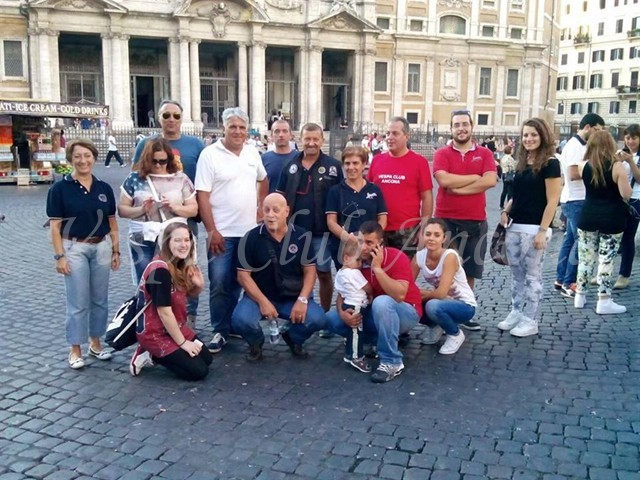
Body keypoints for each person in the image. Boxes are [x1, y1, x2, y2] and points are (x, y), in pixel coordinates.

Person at [195, 107, 268, 354]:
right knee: (219, 282)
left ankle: (233, 324)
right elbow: (202, 195)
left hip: (248, 232)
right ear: (223, 128)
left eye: (242, 127)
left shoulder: (252, 152)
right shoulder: (209, 155)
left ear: (247, 130)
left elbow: (263, 179)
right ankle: (219, 328)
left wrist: (261, 207)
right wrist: (211, 230)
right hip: (222, 231)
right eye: (232, 127)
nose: (237, 131)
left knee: (240, 280)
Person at [46, 139, 121, 369]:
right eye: (77, 156)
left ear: (94, 158)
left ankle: (95, 344)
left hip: (101, 246)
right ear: (70, 159)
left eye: (87, 156)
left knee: (100, 299)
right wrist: (59, 256)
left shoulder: (104, 188)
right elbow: (55, 226)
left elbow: (112, 222)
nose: (83, 161)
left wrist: (116, 250)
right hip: (74, 248)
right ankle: (75, 349)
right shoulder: (59, 189)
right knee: (78, 301)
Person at [231, 193, 327, 362]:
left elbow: (310, 271)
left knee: (317, 319)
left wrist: (302, 299)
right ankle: (256, 342)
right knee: (241, 320)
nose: (270, 215)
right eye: (266, 210)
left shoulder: (302, 236)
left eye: (276, 210)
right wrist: (263, 301)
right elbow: (243, 276)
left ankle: (293, 337)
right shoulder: (250, 238)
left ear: (286, 211)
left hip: (292, 296)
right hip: (258, 297)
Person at [133, 100, 205, 323]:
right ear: (158, 118)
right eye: (166, 115)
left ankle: (188, 318)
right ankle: (154, 320)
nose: (171, 119)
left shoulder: (196, 145)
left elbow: (204, 180)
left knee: (186, 268)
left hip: (184, 217)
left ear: (182, 118)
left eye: (176, 115)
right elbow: (136, 178)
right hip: (153, 222)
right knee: (153, 271)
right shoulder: (145, 143)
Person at [326, 221, 423, 383]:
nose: (363, 247)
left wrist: (377, 268)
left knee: (382, 302)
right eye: (360, 241)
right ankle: (374, 341)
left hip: (406, 312)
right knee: (331, 319)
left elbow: (399, 295)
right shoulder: (357, 261)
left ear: (380, 243)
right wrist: (343, 314)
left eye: (369, 243)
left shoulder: (395, 256)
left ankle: (392, 361)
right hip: (375, 313)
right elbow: (343, 293)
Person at [432, 109, 497, 331]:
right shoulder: (442, 153)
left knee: (469, 271)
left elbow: (490, 181)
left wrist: (459, 189)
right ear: (451, 128)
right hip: (445, 220)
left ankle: (463, 310)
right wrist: (474, 178)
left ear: (471, 126)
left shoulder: (485, 153)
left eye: (465, 124)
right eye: (457, 125)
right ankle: (443, 310)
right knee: (444, 270)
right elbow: (444, 180)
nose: (461, 128)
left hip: (475, 220)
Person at [498, 118, 562, 337]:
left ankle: (530, 319)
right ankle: (516, 311)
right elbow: (516, 196)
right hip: (515, 225)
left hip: (535, 227)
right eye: (525, 135)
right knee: (516, 274)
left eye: (533, 134)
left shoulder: (551, 163)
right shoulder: (522, 162)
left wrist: (543, 231)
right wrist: (505, 211)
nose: (529, 139)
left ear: (543, 136)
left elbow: (553, 200)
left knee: (532, 276)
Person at [129, 221, 212, 380]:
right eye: (177, 240)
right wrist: (183, 343)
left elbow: (185, 296)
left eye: (187, 240)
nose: (184, 245)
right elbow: (165, 312)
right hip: (155, 333)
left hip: (175, 326)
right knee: (198, 372)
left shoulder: (179, 262)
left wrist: (199, 286)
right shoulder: (160, 271)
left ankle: (165, 352)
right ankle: (149, 352)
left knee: (207, 360)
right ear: (167, 243)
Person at [276, 123, 344, 315]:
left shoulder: (333, 166)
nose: (311, 143)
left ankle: (323, 314)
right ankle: (298, 312)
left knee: (323, 272)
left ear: (322, 140)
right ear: (300, 140)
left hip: (323, 233)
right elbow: (280, 197)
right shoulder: (289, 166)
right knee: (296, 274)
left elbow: (342, 196)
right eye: (307, 139)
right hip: (295, 233)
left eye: (315, 139)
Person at [118, 137, 198, 287]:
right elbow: (122, 210)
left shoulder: (181, 179)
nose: (158, 165)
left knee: (178, 281)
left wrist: (175, 207)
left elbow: (193, 209)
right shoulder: (135, 178)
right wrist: (142, 209)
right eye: (153, 161)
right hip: (143, 239)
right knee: (146, 282)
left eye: (162, 161)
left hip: (175, 239)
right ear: (146, 159)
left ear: (169, 159)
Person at [574, 130, 632, 314]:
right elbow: (626, 194)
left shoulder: (583, 165)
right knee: (606, 259)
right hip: (611, 217)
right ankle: (604, 300)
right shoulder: (617, 166)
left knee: (585, 258)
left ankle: (580, 295)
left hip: (588, 215)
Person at [554, 113, 605, 298]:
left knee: (569, 240)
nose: (598, 134)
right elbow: (573, 174)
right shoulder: (575, 146)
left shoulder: (580, 145)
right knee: (581, 242)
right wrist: (598, 170)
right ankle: (569, 283)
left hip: (574, 198)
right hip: (576, 199)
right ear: (588, 127)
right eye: (597, 130)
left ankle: (561, 279)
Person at [368, 116, 433, 258]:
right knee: (378, 269)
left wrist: (424, 229)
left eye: (395, 133)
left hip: (407, 230)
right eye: (387, 133)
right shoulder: (377, 160)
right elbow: (368, 192)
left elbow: (427, 197)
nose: (390, 138)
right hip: (379, 228)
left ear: (406, 136)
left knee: (404, 270)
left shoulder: (419, 162)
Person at [412, 218, 477, 355]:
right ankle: (436, 325)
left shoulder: (450, 256)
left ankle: (455, 334)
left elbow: (441, 293)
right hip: (441, 301)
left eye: (436, 235)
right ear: (422, 236)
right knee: (411, 303)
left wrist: (424, 294)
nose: (431, 238)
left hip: (464, 306)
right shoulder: (419, 257)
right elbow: (407, 286)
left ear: (444, 238)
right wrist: (419, 295)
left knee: (432, 305)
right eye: (428, 234)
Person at [326, 146, 387, 268]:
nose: (351, 167)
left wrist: (373, 238)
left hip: (371, 249)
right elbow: (331, 222)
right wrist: (348, 238)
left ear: (364, 164)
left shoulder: (375, 190)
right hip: (346, 248)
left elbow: (382, 218)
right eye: (347, 163)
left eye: (355, 163)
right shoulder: (335, 191)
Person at [333, 241, 373, 372]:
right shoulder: (354, 273)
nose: (360, 264)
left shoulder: (340, 273)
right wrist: (370, 293)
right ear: (346, 258)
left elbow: (340, 292)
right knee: (357, 332)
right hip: (357, 305)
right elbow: (367, 287)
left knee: (351, 331)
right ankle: (357, 357)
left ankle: (349, 353)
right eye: (358, 260)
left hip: (347, 304)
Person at [614, 124, 640, 289]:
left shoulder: (635, 157)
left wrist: (630, 161)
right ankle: (604, 271)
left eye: (634, 138)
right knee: (611, 236)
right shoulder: (620, 153)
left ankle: (624, 274)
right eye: (628, 138)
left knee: (627, 238)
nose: (630, 141)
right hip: (619, 198)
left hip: (635, 199)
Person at [261, 119, 298, 194]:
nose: (281, 135)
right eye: (277, 131)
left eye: (285, 131)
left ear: (291, 135)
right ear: (271, 136)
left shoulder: (300, 157)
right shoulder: (263, 159)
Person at [499, 145, 517, 209]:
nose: (513, 151)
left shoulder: (503, 157)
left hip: (504, 174)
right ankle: (509, 205)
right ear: (510, 151)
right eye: (512, 150)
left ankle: (501, 204)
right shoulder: (510, 158)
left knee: (504, 190)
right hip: (509, 174)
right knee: (510, 191)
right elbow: (513, 167)